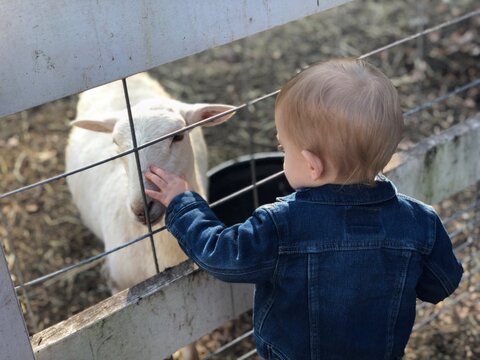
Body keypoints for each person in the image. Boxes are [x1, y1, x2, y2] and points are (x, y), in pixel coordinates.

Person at [144, 58, 463, 360]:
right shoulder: (421, 222)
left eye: (283, 148)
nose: (282, 157)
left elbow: (222, 254)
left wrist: (182, 203)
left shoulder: (280, 225)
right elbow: (441, 285)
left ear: (312, 165)